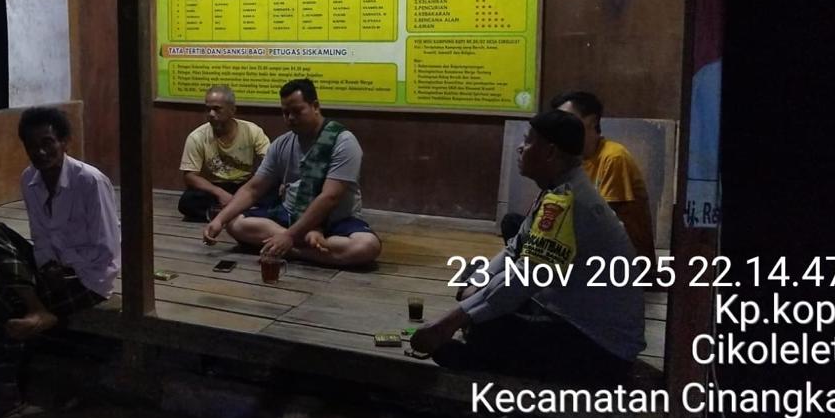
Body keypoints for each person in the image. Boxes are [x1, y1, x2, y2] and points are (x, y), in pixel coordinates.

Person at [413, 109, 644, 384]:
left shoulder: (567, 201)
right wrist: (479, 284)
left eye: (528, 141)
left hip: (601, 349)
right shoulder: (559, 188)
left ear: (550, 152)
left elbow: (525, 278)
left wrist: (448, 323)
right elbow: (515, 248)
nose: (520, 148)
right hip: (562, 307)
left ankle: (481, 357)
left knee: (487, 328)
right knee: (479, 273)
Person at [0, 106, 120, 418]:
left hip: (87, 278)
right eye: (32, 145)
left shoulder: (89, 181)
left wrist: (65, 267)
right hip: (52, 272)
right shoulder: (29, 179)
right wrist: (47, 265)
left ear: (64, 142)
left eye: (48, 142)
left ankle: (3, 391)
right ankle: (37, 311)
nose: (41, 152)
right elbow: (41, 236)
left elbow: (107, 249)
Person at [203, 78, 381, 267]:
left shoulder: (342, 142)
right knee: (234, 222)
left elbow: (330, 197)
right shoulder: (282, 143)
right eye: (285, 113)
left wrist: (289, 236)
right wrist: (219, 220)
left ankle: (291, 249)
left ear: (315, 106)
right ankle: (310, 249)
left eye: (297, 111)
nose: (290, 118)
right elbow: (253, 189)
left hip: (335, 220)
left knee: (366, 246)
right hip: (290, 215)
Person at [551, 90, 656, 260]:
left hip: (621, 259)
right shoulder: (572, 161)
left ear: (592, 122)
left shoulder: (613, 157)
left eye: (569, 121)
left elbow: (602, 225)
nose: (562, 130)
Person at [177, 85, 271, 221]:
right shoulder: (197, 137)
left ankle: (222, 213)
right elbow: (190, 176)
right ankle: (242, 213)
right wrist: (220, 193)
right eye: (208, 109)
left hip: (245, 184)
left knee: (273, 192)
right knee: (187, 202)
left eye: (217, 109)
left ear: (232, 110)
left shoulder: (252, 131)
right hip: (215, 187)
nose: (211, 114)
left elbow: (270, 161)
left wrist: (251, 188)